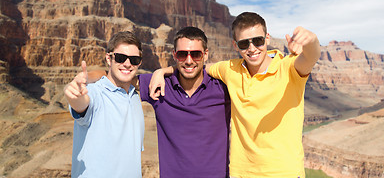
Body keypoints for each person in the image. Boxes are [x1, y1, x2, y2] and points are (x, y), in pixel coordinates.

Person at [150, 12, 321, 178]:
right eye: (244, 44)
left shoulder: (288, 67)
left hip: (284, 173)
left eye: (258, 41)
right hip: (241, 173)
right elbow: (193, 66)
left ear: (267, 38)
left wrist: (311, 41)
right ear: (235, 45)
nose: (252, 48)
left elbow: (310, 58)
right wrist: (162, 71)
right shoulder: (230, 69)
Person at [86, 27, 231, 178]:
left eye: (196, 54)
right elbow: (116, 76)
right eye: (182, 54)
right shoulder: (160, 86)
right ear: (174, 55)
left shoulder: (223, 88)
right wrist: (83, 77)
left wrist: (163, 70)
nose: (189, 60)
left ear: (205, 55)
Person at [64, 31, 145, 178]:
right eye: (120, 58)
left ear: (139, 62)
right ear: (109, 58)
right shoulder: (95, 93)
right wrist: (75, 96)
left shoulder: (134, 97)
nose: (127, 64)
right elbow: (83, 105)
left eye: (134, 59)